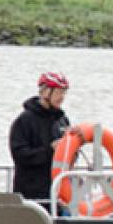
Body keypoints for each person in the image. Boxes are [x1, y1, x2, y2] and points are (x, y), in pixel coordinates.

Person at [9, 72, 72, 203]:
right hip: (31, 194)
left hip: (58, 193)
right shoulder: (24, 120)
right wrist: (50, 150)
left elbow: (69, 157)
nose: (62, 97)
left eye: (64, 93)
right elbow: (20, 155)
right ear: (45, 92)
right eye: (58, 92)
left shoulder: (62, 120)